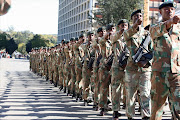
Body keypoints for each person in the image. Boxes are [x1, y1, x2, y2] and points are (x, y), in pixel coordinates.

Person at [149, 1, 180, 120]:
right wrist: (170, 22)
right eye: (166, 9)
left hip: (176, 72)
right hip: (159, 73)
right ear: (160, 11)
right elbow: (156, 31)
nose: (169, 11)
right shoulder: (154, 27)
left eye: (172, 9)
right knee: (157, 107)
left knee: (178, 106)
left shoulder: (178, 28)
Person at [123, 9, 152, 120]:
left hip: (145, 70)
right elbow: (126, 36)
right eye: (135, 16)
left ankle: (146, 115)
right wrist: (135, 25)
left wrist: (146, 61)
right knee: (130, 95)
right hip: (131, 69)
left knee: (145, 93)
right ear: (132, 19)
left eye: (140, 15)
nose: (138, 17)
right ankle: (130, 116)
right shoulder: (128, 33)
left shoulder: (147, 34)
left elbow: (153, 50)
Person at [111, 19, 129, 120]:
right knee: (116, 89)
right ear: (118, 27)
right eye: (122, 25)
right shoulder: (114, 36)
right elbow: (114, 38)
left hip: (128, 67)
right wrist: (121, 32)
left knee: (129, 90)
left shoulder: (130, 36)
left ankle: (129, 110)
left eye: (125, 25)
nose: (124, 27)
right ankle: (115, 110)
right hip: (117, 67)